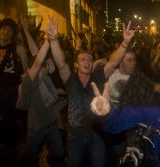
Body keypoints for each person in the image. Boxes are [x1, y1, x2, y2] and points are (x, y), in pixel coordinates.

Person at [47, 15, 134, 167]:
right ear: (75, 64)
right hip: (74, 136)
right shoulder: (70, 79)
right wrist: (54, 41)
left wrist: (125, 42)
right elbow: (61, 64)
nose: (87, 61)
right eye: (83, 59)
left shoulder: (98, 76)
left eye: (89, 59)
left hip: (96, 134)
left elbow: (113, 62)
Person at [16, 20, 64, 166]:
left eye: (44, 67)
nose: (44, 69)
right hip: (35, 129)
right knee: (31, 157)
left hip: (52, 125)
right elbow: (37, 61)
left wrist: (26, 30)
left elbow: (35, 52)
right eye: (41, 67)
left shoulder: (46, 79)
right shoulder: (29, 82)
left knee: (60, 153)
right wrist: (49, 40)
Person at [0, 17, 28, 148]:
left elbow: (27, 71)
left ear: (13, 33)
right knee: (8, 115)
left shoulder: (18, 48)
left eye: (10, 30)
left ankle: (14, 142)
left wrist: (23, 88)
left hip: (14, 88)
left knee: (14, 115)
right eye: (4, 28)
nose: (6, 31)